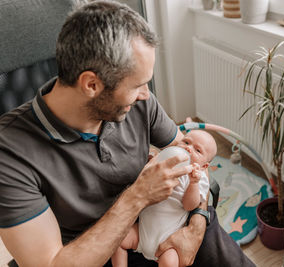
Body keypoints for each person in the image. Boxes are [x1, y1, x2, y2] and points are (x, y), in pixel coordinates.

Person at [0, 1, 255, 266]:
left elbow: (192, 159)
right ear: (91, 84)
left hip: (161, 220)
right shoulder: (10, 152)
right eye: (138, 85)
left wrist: (197, 225)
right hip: (92, 251)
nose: (146, 94)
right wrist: (138, 195)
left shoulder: (140, 104)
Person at [112, 130, 217, 267]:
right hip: (142, 233)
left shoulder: (198, 178)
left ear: (204, 166)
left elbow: (189, 206)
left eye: (197, 150)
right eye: (186, 142)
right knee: (116, 241)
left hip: (168, 243)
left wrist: (193, 184)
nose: (188, 148)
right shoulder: (164, 161)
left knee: (169, 262)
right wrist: (151, 160)